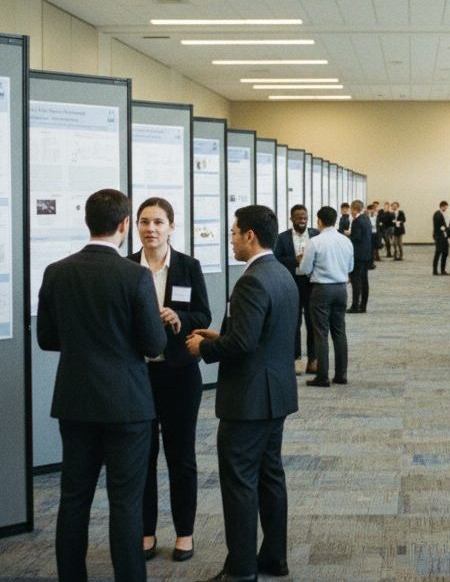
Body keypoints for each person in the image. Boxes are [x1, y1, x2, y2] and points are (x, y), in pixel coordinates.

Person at [37, 188, 167, 582]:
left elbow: (47, 339)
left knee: (73, 501)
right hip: (127, 405)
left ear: (87, 221)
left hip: (75, 402)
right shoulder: (136, 276)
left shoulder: (57, 271)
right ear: (125, 225)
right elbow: (153, 344)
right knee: (126, 505)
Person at [186, 205, 299, 582]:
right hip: (275, 394)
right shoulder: (281, 274)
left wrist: (203, 349)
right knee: (270, 478)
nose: (231, 239)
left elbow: (245, 344)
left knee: (240, 485)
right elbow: (262, 336)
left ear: (250, 235)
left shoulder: (251, 280)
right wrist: (220, 336)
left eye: (234, 233)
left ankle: (240, 570)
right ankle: (274, 558)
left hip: (248, 400)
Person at [130, 197, 212, 564]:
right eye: (145, 222)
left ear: (171, 227)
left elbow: (204, 314)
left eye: (158, 222)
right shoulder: (126, 268)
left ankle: (184, 533)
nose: (151, 229)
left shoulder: (188, 266)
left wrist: (180, 318)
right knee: (141, 459)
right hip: (138, 377)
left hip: (179, 375)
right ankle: (146, 532)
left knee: (181, 458)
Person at [299, 206, 354, 387]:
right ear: (336, 220)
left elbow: (305, 269)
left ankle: (322, 376)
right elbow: (350, 267)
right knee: (339, 331)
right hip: (341, 288)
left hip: (321, 289)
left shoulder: (315, 242)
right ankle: (341, 374)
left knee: (320, 333)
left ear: (319, 221)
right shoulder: (345, 241)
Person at [273, 204, 319, 376]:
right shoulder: (282, 238)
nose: (302, 221)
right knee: (294, 322)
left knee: (312, 322)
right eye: (299, 218)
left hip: (311, 283)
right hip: (292, 284)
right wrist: (295, 260)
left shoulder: (315, 235)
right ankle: (296, 359)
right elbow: (276, 259)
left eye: (305, 218)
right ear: (291, 219)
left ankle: (313, 359)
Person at [347, 199, 372, 313]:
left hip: (358, 255)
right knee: (364, 280)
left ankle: (355, 305)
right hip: (366, 254)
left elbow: (357, 238)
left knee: (355, 280)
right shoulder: (366, 219)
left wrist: (348, 236)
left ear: (354, 209)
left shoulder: (356, 221)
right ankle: (363, 305)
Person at [432, 200, 450, 275]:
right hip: (440, 236)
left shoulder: (441, 213)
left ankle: (442, 270)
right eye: (446, 206)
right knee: (438, 253)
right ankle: (435, 270)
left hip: (442, 236)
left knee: (444, 252)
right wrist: (446, 229)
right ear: (442, 206)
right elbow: (439, 226)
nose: (446, 208)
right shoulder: (438, 214)